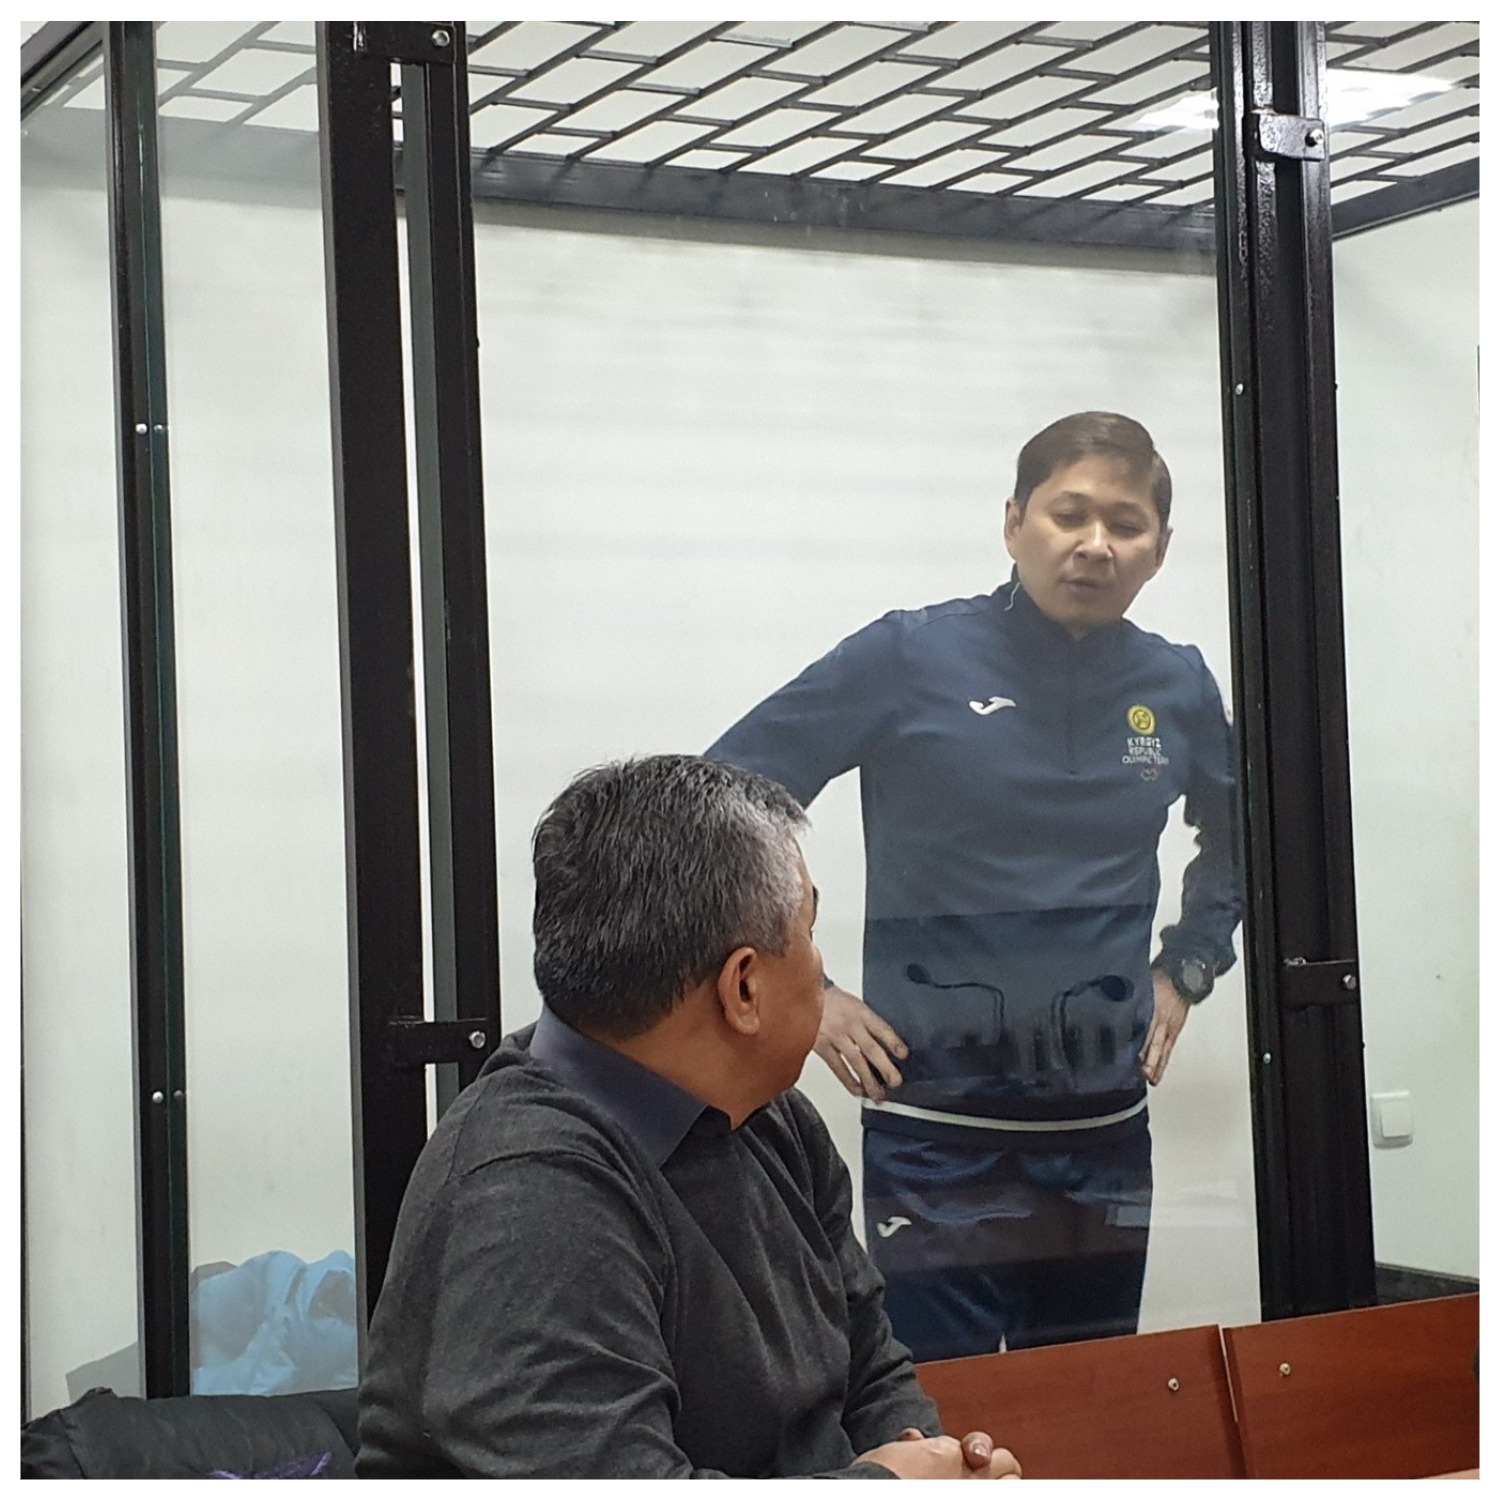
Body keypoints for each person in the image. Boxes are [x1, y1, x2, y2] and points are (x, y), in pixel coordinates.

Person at [707, 412, 1240, 1362]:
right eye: (1069, 514)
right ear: (1014, 522)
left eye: (1125, 524)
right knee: (943, 1412)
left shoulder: (1178, 685)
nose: (1095, 544)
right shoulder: (909, 657)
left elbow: (1247, 836)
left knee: (1088, 1400)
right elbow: (718, 804)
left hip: (1104, 1134)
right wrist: (806, 997)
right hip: (936, 1138)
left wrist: (1190, 963)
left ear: (1159, 549)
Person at [357, 753, 1023, 1479]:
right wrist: (885, 1487)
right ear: (743, 987)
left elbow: (870, 1371)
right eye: (810, 933)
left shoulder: (775, 1121)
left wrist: (944, 1466)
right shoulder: (529, 1194)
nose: (820, 967)